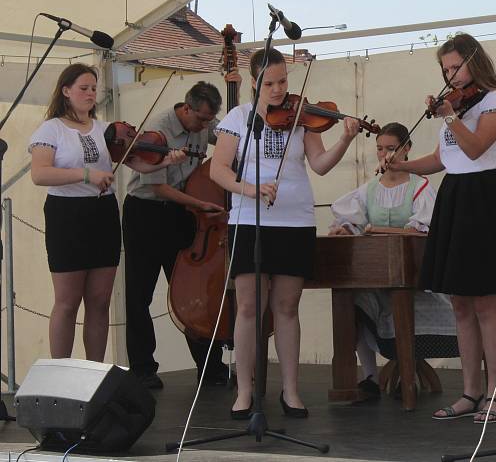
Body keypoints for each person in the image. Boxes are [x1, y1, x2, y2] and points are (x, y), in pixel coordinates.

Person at [381, 33, 496, 424]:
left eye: (455, 67)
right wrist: (401, 165)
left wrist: (447, 116)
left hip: (485, 198)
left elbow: (475, 149)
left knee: (485, 304)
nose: (451, 75)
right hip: (456, 196)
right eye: (445, 70)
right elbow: (444, 159)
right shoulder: (457, 109)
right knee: (460, 303)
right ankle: (470, 392)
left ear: (475, 62)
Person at [210, 47, 360, 419]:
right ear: (256, 81)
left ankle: (291, 391)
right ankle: (244, 391)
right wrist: (250, 189)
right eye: (271, 83)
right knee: (249, 307)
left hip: (294, 219)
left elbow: (320, 165)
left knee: (287, 308)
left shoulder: (300, 117)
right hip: (249, 218)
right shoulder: (238, 117)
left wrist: (345, 139)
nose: (278, 90)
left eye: (283, 81)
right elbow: (219, 169)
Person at [29, 63, 185, 363]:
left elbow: (139, 164)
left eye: (93, 89)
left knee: (99, 301)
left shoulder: (106, 129)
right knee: (67, 301)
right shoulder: (51, 129)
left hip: (103, 214)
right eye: (83, 88)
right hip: (67, 215)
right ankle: (59, 372)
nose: (90, 94)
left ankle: (93, 372)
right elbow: (40, 173)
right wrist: (86, 175)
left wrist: (167, 161)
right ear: (66, 91)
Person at [123, 78, 240, 390]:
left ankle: (211, 368)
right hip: (146, 213)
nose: (205, 126)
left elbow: (232, 138)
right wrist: (202, 203)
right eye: (201, 119)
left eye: (209, 119)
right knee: (139, 294)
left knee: (195, 290)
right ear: (187, 108)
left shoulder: (205, 122)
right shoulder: (159, 130)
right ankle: (143, 369)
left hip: (182, 214)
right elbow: (158, 186)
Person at [329, 122, 457, 400]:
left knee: (400, 302)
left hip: (416, 280)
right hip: (378, 277)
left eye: (391, 148)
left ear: (407, 148)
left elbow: (423, 230)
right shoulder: (370, 188)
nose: (385, 155)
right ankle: (370, 377)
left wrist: (380, 231)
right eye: (379, 149)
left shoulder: (420, 186)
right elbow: (355, 222)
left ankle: (408, 372)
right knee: (354, 302)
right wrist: (345, 228)